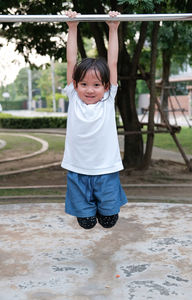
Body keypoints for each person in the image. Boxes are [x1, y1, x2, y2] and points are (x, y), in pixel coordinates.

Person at [61, 10, 127, 229]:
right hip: (78, 170)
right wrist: (72, 28)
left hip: (105, 170)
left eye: (96, 85)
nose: (90, 90)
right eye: (84, 84)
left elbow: (113, 63)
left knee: (109, 221)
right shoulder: (74, 98)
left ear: (106, 87)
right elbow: (71, 61)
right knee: (87, 223)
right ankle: (89, 208)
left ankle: (102, 204)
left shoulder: (108, 100)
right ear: (76, 85)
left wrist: (113, 28)